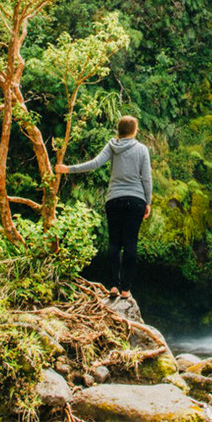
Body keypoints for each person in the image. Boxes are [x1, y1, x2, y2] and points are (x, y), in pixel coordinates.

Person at [55, 115, 151, 300]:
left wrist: (68, 169)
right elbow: (146, 178)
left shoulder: (112, 146)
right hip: (136, 200)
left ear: (119, 130)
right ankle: (126, 289)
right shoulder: (142, 150)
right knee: (130, 244)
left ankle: (113, 286)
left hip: (114, 199)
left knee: (114, 243)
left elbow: (94, 164)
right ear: (135, 130)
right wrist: (148, 202)